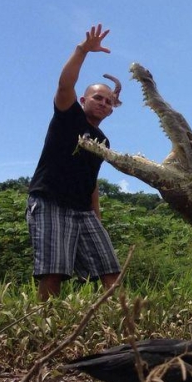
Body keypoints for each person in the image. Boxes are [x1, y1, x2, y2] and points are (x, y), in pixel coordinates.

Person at [26, 24, 122, 301]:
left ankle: (127, 326)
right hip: (50, 201)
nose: (103, 103)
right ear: (84, 100)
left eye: (108, 101)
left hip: (83, 211)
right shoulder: (69, 115)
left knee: (110, 268)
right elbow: (64, 84)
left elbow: (91, 182)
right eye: (97, 98)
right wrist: (82, 50)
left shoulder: (103, 141)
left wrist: (97, 218)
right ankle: (46, 329)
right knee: (53, 271)